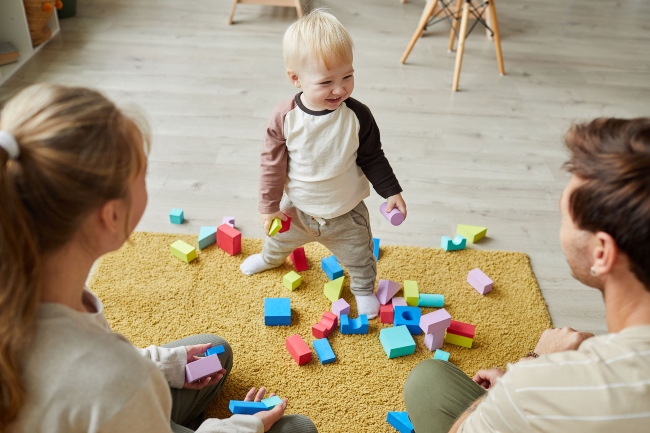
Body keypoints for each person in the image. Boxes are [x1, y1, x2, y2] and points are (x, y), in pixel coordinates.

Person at [0, 83, 318, 433]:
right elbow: (107, 381)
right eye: (142, 174)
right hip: (119, 407)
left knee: (214, 354)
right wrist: (238, 426)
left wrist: (164, 365)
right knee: (297, 429)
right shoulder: (118, 383)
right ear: (111, 215)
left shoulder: (23, 284)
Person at [403, 117, 650, 432]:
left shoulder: (536, 385)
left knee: (427, 381)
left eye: (564, 215)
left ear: (601, 253)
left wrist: (529, 367)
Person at [239, 9, 407, 319]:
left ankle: (362, 290)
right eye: (327, 81)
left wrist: (391, 191)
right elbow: (271, 165)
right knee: (277, 241)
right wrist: (268, 206)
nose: (340, 89)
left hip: (346, 213)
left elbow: (372, 156)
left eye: (348, 76)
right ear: (296, 79)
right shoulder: (285, 118)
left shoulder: (358, 116)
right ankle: (270, 258)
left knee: (360, 258)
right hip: (298, 209)